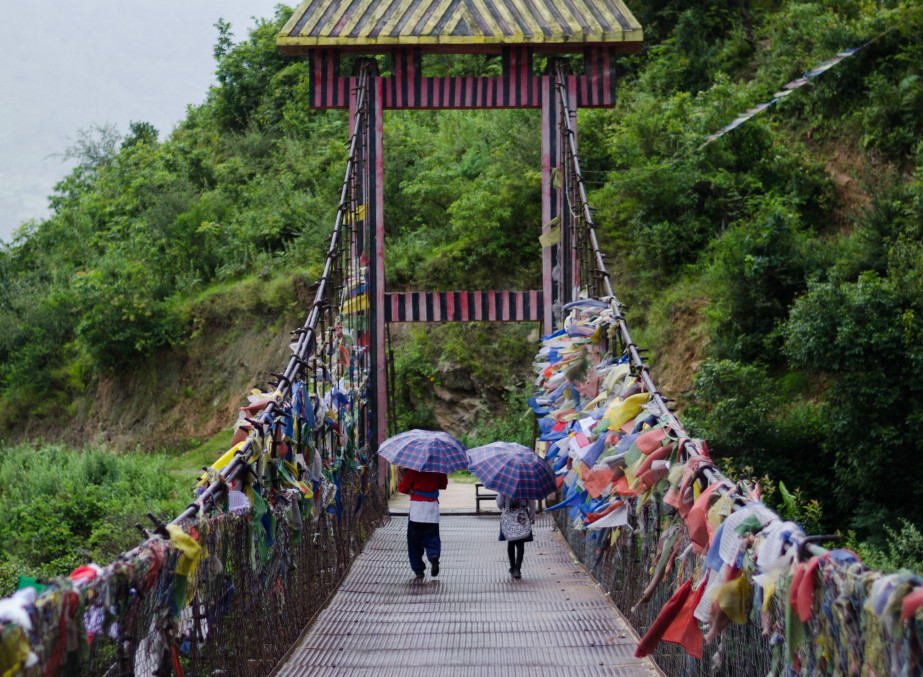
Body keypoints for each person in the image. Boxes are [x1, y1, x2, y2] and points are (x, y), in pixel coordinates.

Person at [398, 468, 448, 579]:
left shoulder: (413, 470)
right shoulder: (439, 469)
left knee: (414, 542)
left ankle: (418, 570)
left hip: (417, 509)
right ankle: (433, 555)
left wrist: (412, 489)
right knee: (432, 537)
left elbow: (401, 488)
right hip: (432, 508)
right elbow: (443, 485)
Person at [496, 494, 536, 579]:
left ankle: (512, 567)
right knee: (520, 543)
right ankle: (517, 569)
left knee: (511, 542)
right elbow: (532, 503)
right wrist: (532, 516)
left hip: (508, 516)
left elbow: (499, 503)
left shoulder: (505, 486)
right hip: (521, 516)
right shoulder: (526, 486)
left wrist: (504, 507)